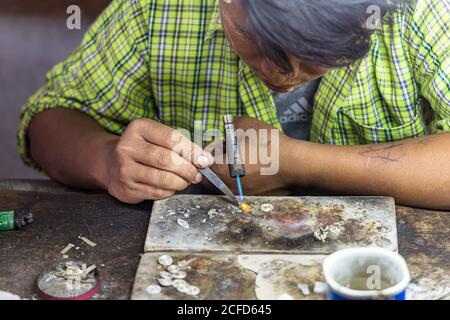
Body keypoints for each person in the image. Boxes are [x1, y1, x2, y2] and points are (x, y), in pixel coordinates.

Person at [19, 0, 450, 209]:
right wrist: (106, 159)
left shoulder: (419, 10)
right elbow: (48, 122)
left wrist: (293, 161)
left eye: (316, 56)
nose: (282, 76)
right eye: (262, 47)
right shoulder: (158, 10)